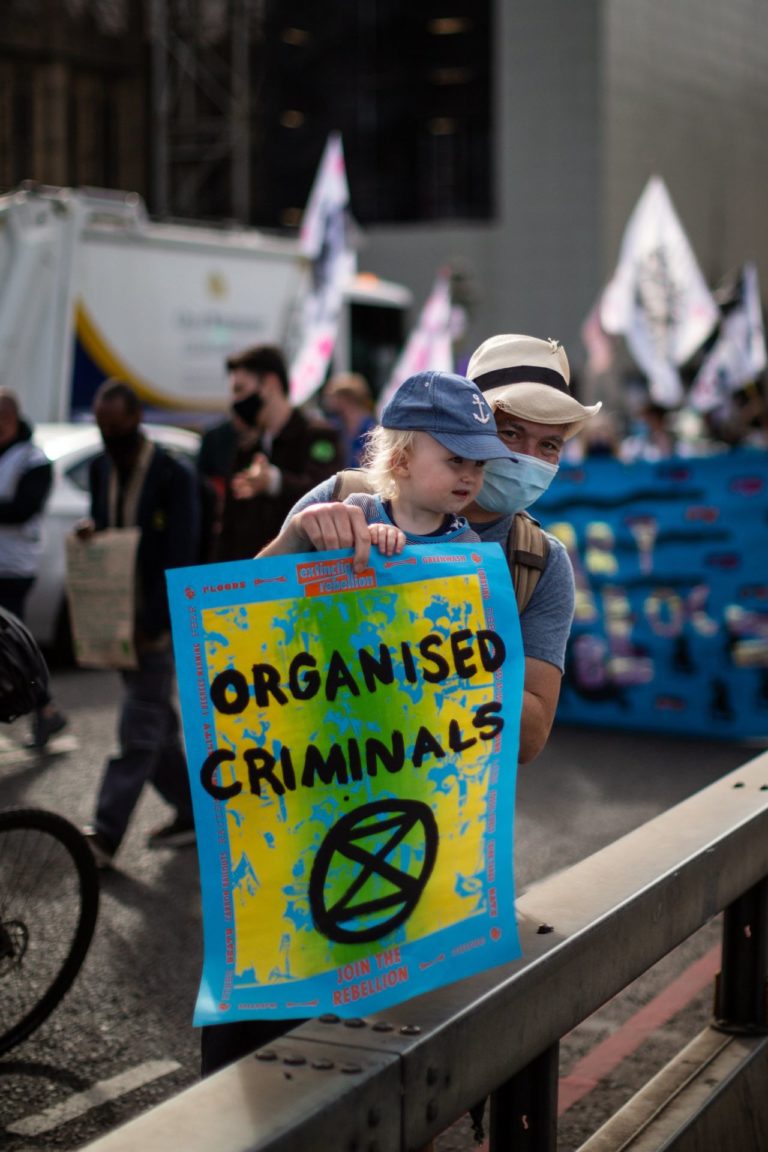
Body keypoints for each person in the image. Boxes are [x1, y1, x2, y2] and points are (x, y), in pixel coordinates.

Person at [199, 335, 601, 1080]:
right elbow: (229, 646)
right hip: (294, 840)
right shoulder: (344, 498)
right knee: (247, 1078)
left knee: (394, 1086)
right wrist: (295, 542)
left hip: (427, 865)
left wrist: (440, 628)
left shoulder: (537, 563)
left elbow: (530, 736)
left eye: (548, 446)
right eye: (508, 433)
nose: (520, 460)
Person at [77, 379, 200, 869]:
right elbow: (107, 531)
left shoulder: (172, 473)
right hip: (116, 620)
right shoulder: (99, 469)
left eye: (117, 425)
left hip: (156, 623)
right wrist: (91, 534)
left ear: (136, 419)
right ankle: (194, 812)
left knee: (139, 726)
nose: (109, 435)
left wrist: (156, 619)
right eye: (102, 427)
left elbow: (182, 549)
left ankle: (103, 835)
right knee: (158, 731)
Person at [261, 369, 513, 560]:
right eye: (456, 459)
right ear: (401, 461)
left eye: (479, 463)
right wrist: (366, 538)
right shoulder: (357, 510)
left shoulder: (470, 543)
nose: (469, 475)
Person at [211, 344, 343, 561]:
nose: (235, 401)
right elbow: (228, 526)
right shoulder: (247, 449)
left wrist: (273, 482)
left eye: (240, 389)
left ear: (270, 384)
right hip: (255, 577)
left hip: (304, 575)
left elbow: (330, 494)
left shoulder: (317, 435)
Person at [0, 389, 67, 748]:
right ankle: (47, 711)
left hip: (14, 567)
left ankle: (46, 709)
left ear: (8, 420)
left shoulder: (34, 460)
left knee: (13, 650)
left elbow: (23, 508)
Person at [320, 371, 377, 467]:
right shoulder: (334, 425)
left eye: (334, 396)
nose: (329, 400)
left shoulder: (372, 428)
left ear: (346, 397)